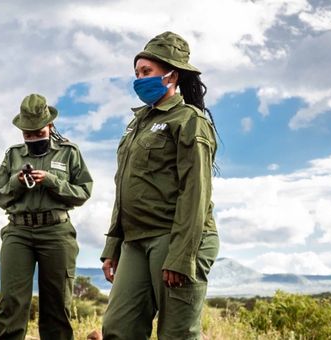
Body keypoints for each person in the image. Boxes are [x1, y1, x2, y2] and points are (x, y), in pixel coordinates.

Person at [100, 31, 220, 340]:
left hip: (175, 237)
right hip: (135, 242)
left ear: (172, 75)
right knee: (118, 329)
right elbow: (124, 187)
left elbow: (196, 192)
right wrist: (113, 244)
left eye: (147, 72)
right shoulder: (137, 124)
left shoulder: (189, 120)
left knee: (176, 334)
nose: (139, 79)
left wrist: (181, 256)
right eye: (137, 73)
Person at [0, 94, 93, 340]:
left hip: (57, 232)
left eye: (38, 133)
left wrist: (51, 181)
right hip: (18, 231)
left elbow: (83, 193)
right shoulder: (13, 155)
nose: (33, 138)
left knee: (57, 304)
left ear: (49, 126)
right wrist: (16, 183)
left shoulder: (69, 153)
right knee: (11, 303)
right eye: (27, 134)